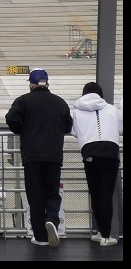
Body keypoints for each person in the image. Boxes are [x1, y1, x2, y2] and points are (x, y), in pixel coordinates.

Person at [5, 68, 73, 248]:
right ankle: (52, 219)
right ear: (47, 83)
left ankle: (40, 236)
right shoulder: (60, 102)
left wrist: (23, 130)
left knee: (35, 195)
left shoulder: (24, 101)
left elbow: (11, 119)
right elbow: (68, 126)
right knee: (52, 192)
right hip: (53, 155)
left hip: (32, 155)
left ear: (31, 84)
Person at [70, 82, 121, 247]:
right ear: (100, 94)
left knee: (95, 193)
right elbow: (120, 129)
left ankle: (101, 232)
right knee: (106, 195)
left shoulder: (77, 112)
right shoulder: (113, 110)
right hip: (111, 152)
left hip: (90, 152)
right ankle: (106, 235)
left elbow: (74, 132)